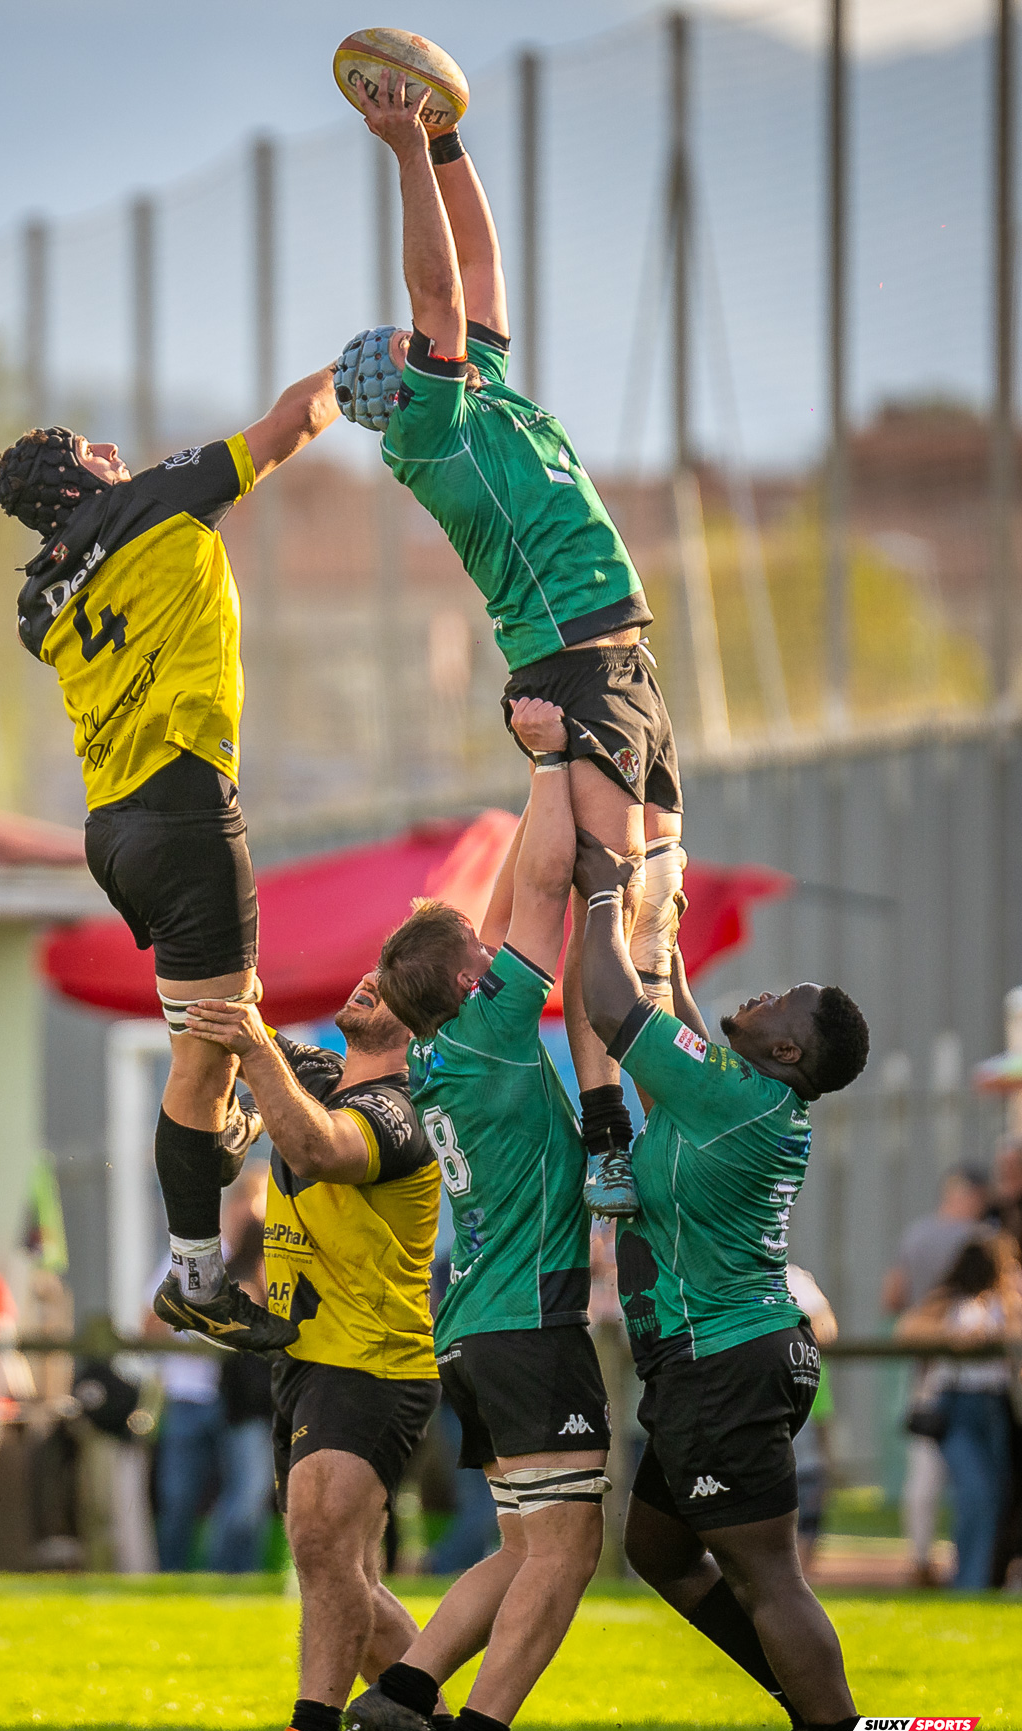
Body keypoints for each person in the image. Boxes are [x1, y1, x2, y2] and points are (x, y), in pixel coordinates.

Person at [337, 68, 686, 1221]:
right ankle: (606, 1133)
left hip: (623, 665)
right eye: (410, 341)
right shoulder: (431, 429)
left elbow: (477, 273)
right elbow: (439, 284)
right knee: (597, 900)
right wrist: (398, 152)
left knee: (653, 912)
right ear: (403, 381)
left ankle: (671, 1093)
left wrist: (444, 145)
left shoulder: (472, 383)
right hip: (572, 669)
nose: (426, 332)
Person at [0, 361, 340, 1356]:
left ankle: (229, 1126)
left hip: (117, 828)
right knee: (208, 1048)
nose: (114, 453)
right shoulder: (153, 500)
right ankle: (194, 1274)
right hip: (183, 811)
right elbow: (292, 424)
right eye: (93, 452)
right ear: (77, 483)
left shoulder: (36, 603)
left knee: (229, 1027)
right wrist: (365, 365)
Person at [573, 825, 896, 1731]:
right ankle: (818, 1728)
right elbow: (669, 1006)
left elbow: (610, 1005)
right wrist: (662, 922)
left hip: (728, 1364)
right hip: (716, 1362)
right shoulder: (738, 1093)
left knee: (769, 1575)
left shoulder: (731, 1101)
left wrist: (599, 897)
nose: (753, 997)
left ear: (789, 1049)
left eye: (774, 1001)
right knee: (660, 1550)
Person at [354, 698, 609, 1731]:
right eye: (482, 954)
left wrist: (536, 778)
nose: (495, 946)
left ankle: (400, 1697)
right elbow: (542, 893)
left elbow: (505, 899)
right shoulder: (494, 1026)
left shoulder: (453, 1042)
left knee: (517, 1548)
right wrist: (554, 754)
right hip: (527, 1324)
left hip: (478, 1327)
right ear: (472, 982)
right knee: (567, 1553)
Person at [184, 971, 441, 1731]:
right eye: (373, 970)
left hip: (372, 1360)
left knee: (324, 1546)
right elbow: (228, 1031)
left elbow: (317, 1146)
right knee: (342, 1576)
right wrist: (217, 973)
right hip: (309, 1359)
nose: (368, 980)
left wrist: (254, 1052)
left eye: (391, 984)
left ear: (419, 1019)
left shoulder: (402, 1109)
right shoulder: (329, 1075)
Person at [145, 1170, 275, 1573]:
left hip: (243, 1401)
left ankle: (231, 1577)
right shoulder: (192, 1258)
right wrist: (200, 1335)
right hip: (190, 1395)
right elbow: (149, 1324)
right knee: (179, 1499)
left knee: (247, 1496)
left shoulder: (266, 1263)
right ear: (234, 1207)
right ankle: (173, 1580)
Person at [880, 1164, 989, 1585]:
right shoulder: (981, 1238)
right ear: (974, 1196)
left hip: (927, 1367)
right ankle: (969, 1562)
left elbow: (892, 1298)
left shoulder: (917, 1234)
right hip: (975, 1372)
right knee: (977, 1478)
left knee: (924, 1471)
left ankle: (920, 1558)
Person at [894, 1235, 1022, 1590]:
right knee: (975, 1492)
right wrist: (952, 1334)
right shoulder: (946, 1302)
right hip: (956, 1403)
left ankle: (980, 1580)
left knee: (994, 1494)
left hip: (995, 1404)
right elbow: (907, 1330)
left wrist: (994, 1332)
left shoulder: (1007, 1304)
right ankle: (968, 1583)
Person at [785, 1265, 838, 1579]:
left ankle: (801, 1580)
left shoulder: (793, 1277)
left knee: (810, 1488)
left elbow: (825, 1327)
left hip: (808, 1398)